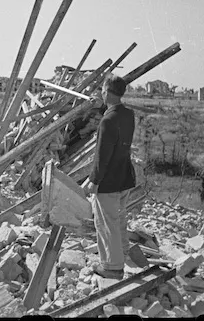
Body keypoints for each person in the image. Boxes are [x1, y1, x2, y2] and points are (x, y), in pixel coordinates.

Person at [82, 74, 136, 279]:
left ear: (106, 91)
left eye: (103, 90)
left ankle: (112, 267)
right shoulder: (128, 115)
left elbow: (102, 156)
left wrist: (93, 181)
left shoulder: (108, 120)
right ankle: (121, 256)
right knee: (118, 219)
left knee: (107, 224)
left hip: (110, 181)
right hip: (125, 177)